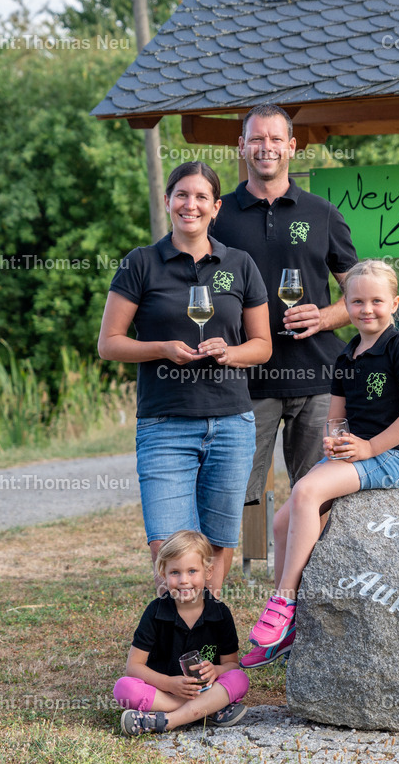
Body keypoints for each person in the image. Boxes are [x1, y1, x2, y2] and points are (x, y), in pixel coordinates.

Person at [240, 260, 399, 666]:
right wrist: (337, 442)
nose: (367, 309)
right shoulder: (345, 356)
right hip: (355, 452)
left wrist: (370, 447)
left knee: (306, 489)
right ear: (346, 303)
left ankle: (284, 599)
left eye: (377, 301)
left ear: (394, 302)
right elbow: (336, 417)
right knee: (281, 521)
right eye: (357, 301)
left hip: (391, 457)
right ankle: (288, 633)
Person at [98, 161, 272, 596]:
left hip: (232, 423)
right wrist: (162, 348)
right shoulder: (140, 264)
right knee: (171, 548)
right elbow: (110, 343)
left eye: (200, 197)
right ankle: (177, 638)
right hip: (164, 424)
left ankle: (204, 637)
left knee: (218, 543)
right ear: (167, 201)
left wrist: (229, 353)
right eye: (181, 195)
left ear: (216, 207)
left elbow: (262, 346)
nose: (189, 204)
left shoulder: (240, 264)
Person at [211, 104, 358, 510]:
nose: (266, 147)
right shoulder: (216, 217)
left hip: (318, 380)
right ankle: (227, 572)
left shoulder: (323, 213)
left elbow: (361, 299)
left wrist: (325, 316)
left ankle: (313, 576)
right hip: (243, 381)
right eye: (257, 138)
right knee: (234, 497)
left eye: (276, 139)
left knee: (321, 500)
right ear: (241, 146)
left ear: (292, 147)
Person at [114, 530, 250, 735]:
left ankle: (167, 720)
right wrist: (169, 683)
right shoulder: (155, 612)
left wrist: (215, 670)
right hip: (165, 691)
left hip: (205, 689)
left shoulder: (220, 613)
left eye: (192, 571)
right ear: (163, 573)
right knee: (124, 689)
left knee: (239, 679)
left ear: (208, 572)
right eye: (175, 572)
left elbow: (231, 664)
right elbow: (133, 667)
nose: (184, 580)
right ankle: (207, 710)